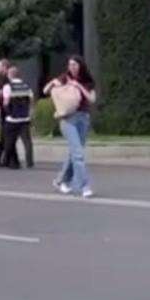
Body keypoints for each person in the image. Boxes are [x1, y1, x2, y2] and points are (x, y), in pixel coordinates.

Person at [46, 56, 97, 198]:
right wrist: (52, 83)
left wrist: (79, 86)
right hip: (68, 119)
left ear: (80, 66)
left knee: (74, 153)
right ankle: (84, 186)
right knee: (78, 154)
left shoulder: (86, 81)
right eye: (70, 65)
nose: (72, 67)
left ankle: (61, 181)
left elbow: (92, 99)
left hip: (83, 118)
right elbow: (46, 90)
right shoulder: (64, 78)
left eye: (75, 64)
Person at [0, 65, 34, 169]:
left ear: (10, 75)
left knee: (9, 141)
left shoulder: (8, 86)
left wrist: (7, 112)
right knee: (27, 142)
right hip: (24, 118)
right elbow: (31, 100)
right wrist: (29, 112)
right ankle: (29, 162)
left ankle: (5, 161)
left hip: (12, 118)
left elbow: (6, 102)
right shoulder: (26, 86)